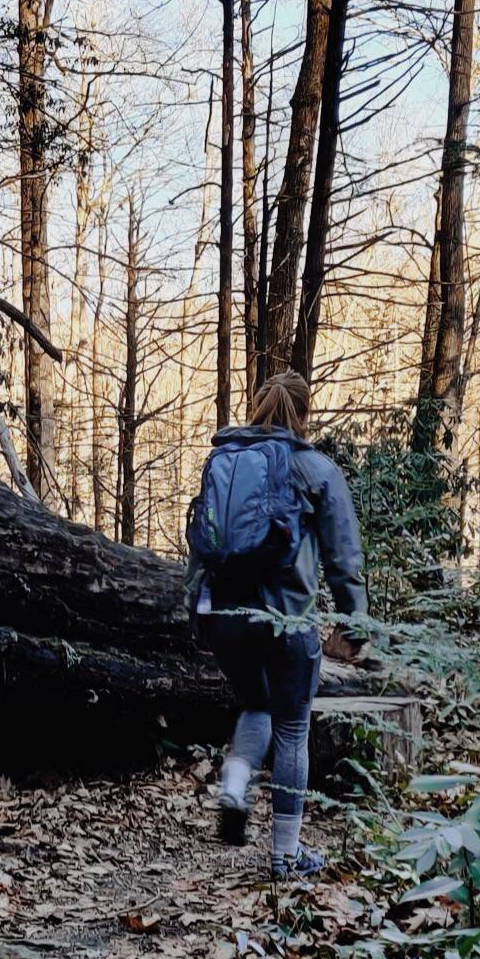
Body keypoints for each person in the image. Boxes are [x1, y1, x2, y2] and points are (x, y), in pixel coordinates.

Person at [185, 369, 366, 877]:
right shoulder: (315, 469)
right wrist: (355, 629)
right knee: (292, 725)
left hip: (224, 615)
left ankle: (234, 787)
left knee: (255, 705)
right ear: (303, 415)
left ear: (259, 406)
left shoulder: (224, 458)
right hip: (285, 620)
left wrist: (197, 612)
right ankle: (286, 855)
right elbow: (344, 560)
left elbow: (202, 543)